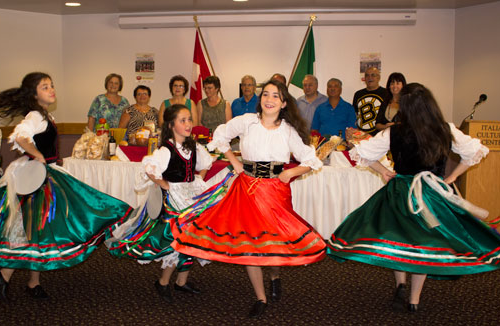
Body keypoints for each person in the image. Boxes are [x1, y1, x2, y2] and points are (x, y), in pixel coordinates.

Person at [326, 83, 500, 313]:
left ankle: (400, 284)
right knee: (423, 243)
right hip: (431, 193)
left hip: (400, 191)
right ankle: (414, 299)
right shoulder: (445, 129)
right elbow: (474, 152)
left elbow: (362, 153)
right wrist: (451, 177)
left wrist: (384, 172)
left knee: (398, 238)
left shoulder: (395, 130)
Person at [0, 72, 133, 302]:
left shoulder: (45, 115)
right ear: (34, 94)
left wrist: (53, 159)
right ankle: (7, 275)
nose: (52, 89)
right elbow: (21, 137)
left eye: (51, 85)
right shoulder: (35, 115)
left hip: (43, 174)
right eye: (45, 87)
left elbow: (41, 143)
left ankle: (28, 281)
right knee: (31, 228)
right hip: (35, 179)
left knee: (38, 230)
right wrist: (39, 156)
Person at [171, 80, 326, 318]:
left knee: (273, 244)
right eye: (266, 94)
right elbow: (220, 136)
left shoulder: (288, 130)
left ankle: (274, 276)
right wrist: (235, 163)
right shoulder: (247, 121)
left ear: (283, 103)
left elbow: (310, 160)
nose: (269, 99)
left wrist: (291, 172)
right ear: (260, 98)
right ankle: (260, 297)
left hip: (275, 193)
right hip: (248, 189)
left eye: (276, 96)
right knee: (250, 243)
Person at [108, 104, 215, 303]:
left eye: (189, 119)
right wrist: (165, 185)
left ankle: (181, 282)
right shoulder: (166, 149)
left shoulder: (193, 146)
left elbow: (206, 163)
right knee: (178, 241)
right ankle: (163, 281)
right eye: (183, 120)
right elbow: (150, 169)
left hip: (190, 196)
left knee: (194, 238)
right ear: (172, 125)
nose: (188, 124)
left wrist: (197, 180)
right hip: (175, 201)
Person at [352, 67, 389, 135]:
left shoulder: (386, 93)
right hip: (361, 137)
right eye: (367, 75)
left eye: (373, 75)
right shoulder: (358, 94)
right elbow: (355, 114)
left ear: (378, 78)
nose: (370, 77)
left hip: (380, 136)